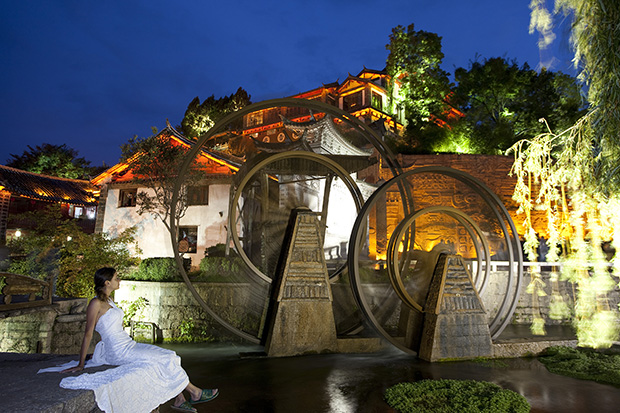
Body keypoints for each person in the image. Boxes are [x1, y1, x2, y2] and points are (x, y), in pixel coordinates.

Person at [41, 267, 218, 413]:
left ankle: (179, 398)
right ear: (107, 282)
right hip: (117, 351)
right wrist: (81, 364)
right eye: (116, 278)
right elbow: (88, 333)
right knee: (167, 358)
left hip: (128, 345)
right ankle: (195, 392)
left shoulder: (110, 300)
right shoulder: (95, 304)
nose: (120, 280)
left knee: (168, 355)